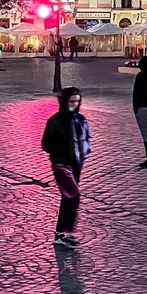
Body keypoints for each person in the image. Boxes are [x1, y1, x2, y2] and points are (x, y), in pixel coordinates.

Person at [41, 86, 91, 248]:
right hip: (61, 163)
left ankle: (63, 233)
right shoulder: (55, 121)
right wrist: (61, 151)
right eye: (71, 102)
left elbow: (86, 136)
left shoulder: (81, 119)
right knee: (73, 195)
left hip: (77, 162)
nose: (74, 105)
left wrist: (85, 149)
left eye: (77, 102)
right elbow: (46, 144)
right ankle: (65, 233)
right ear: (64, 101)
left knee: (68, 198)